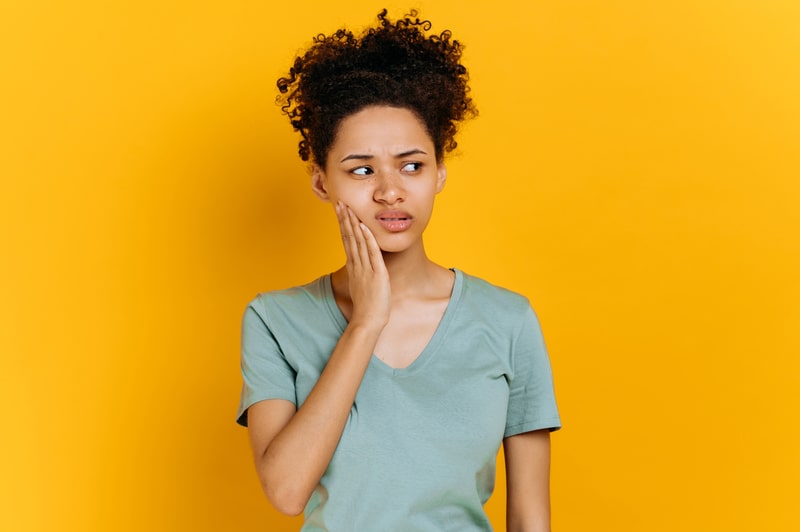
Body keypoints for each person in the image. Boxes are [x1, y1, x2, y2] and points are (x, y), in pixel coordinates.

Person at [236, 9, 560, 531]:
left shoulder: (507, 320)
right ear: (321, 182)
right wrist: (366, 322)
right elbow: (287, 490)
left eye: (412, 165)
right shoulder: (275, 319)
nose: (390, 190)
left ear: (439, 174)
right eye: (362, 170)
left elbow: (530, 518)